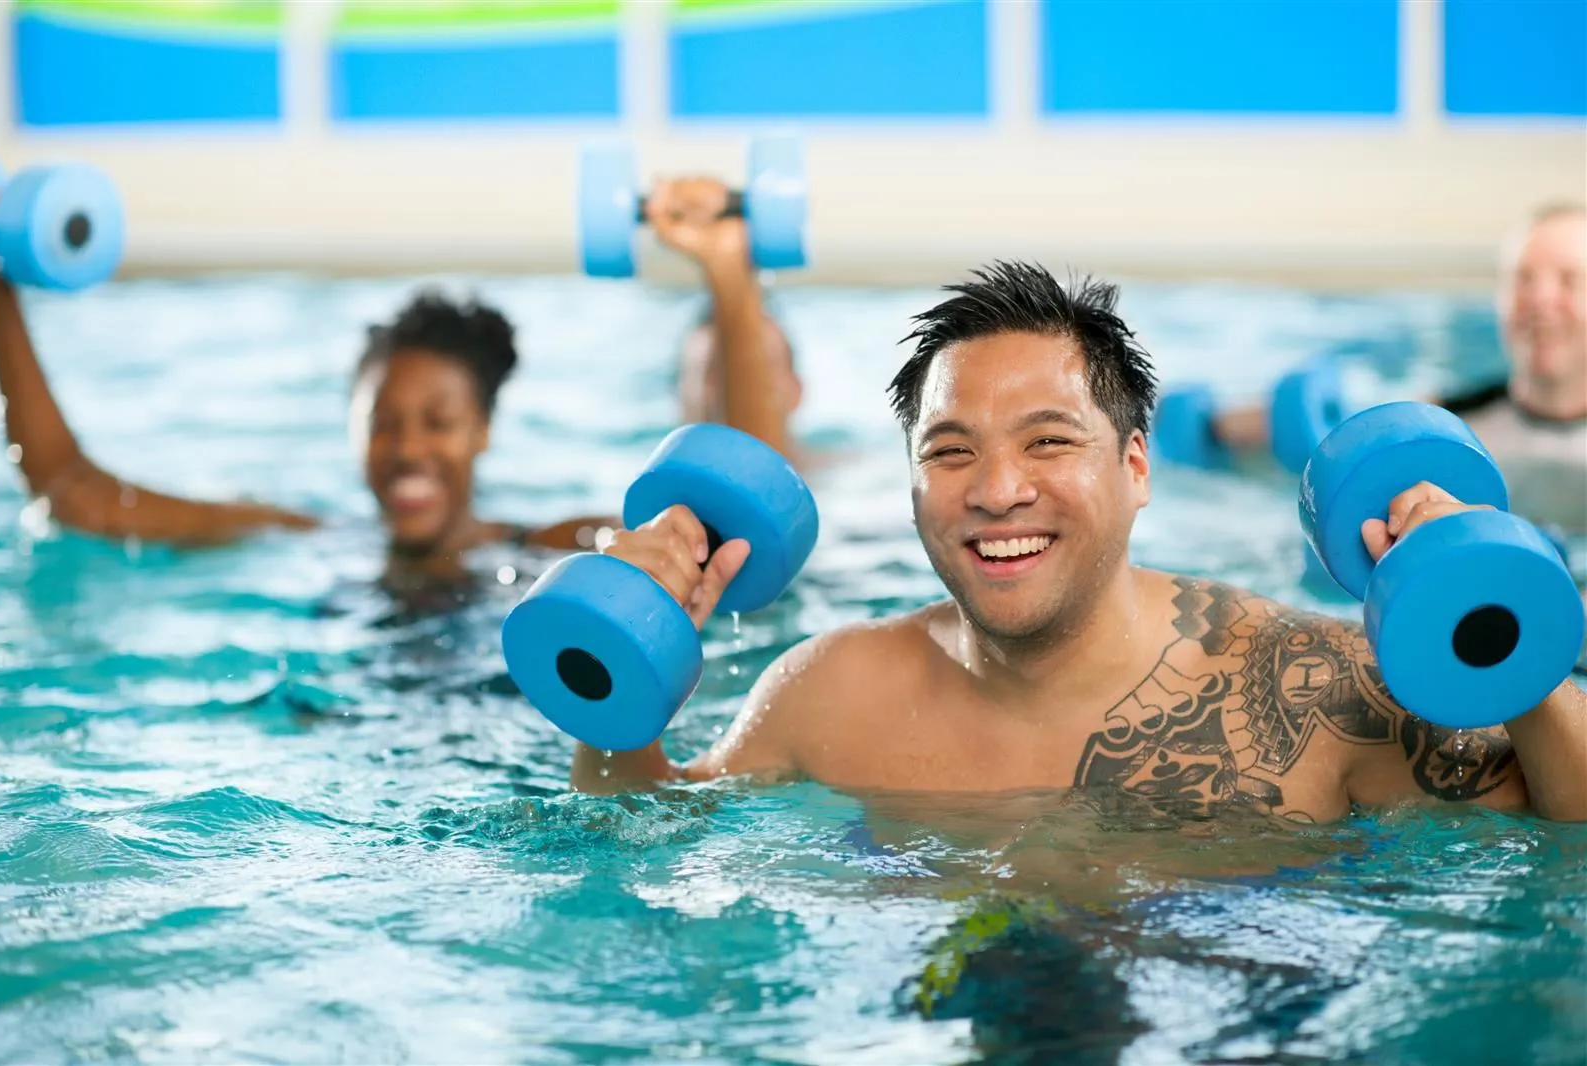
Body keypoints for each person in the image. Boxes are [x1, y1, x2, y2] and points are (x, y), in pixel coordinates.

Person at [569, 261, 1587, 823]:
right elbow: (641, 836)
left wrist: (1501, 628)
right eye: (951, 451)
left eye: (1048, 442)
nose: (998, 491)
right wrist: (626, 685)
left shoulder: (1307, 685)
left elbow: (1567, 828)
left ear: (1136, 466)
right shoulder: (827, 692)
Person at [0, 232, 608, 590]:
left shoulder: (550, 550)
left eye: (438, 422)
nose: (409, 448)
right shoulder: (312, 541)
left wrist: (713, 265)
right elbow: (70, 490)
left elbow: (698, 537)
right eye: (381, 424)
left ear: (483, 431)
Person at [1210, 203, 1586, 532]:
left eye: (1568, 281)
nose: (1540, 300)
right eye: (1524, 280)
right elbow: (1336, 433)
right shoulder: (1442, 420)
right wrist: (1214, 425)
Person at [643, 177, 803, 461]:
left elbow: (755, 470)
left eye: (758, 366)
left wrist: (729, 270)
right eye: (711, 373)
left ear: (797, 391)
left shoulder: (858, 482)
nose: (728, 390)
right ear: (677, 394)